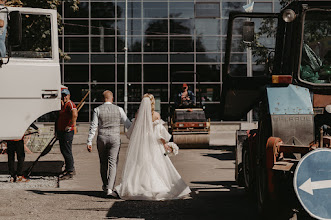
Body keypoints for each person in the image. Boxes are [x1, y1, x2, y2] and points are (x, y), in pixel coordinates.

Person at [115, 94, 191, 200]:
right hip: (153, 144)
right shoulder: (155, 115)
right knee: (156, 165)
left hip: (141, 143)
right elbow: (159, 133)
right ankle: (156, 187)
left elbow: (132, 132)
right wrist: (165, 143)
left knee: (139, 165)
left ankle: (137, 186)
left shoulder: (138, 115)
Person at [86, 90, 131, 196]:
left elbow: (94, 126)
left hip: (102, 138)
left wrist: (89, 141)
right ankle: (110, 189)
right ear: (112, 98)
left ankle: (105, 185)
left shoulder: (97, 109)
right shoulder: (119, 109)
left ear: (103, 99)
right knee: (113, 163)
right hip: (115, 138)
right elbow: (127, 124)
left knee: (103, 162)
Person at [56, 88, 78, 180]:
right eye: (63, 95)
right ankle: (69, 168)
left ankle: (70, 171)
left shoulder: (70, 104)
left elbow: (75, 114)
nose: (64, 97)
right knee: (63, 150)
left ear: (69, 95)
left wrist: (70, 125)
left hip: (67, 132)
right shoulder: (63, 105)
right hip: (61, 132)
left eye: (65, 95)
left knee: (67, 151)